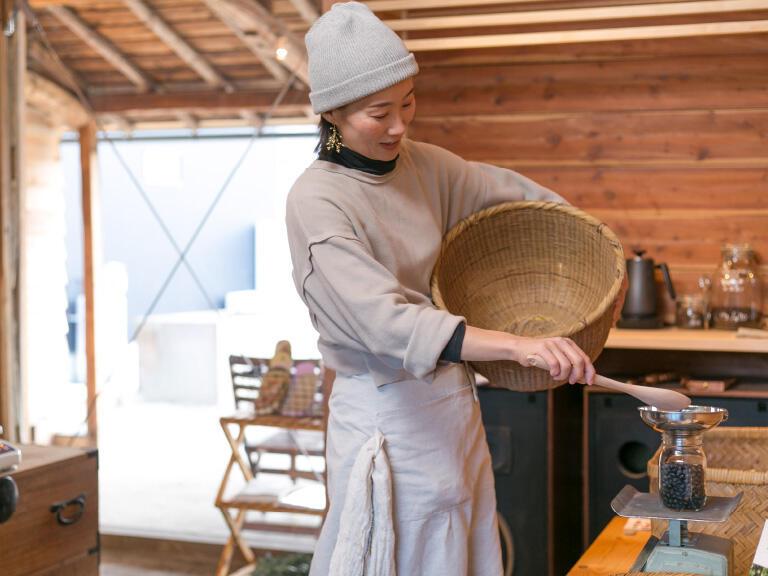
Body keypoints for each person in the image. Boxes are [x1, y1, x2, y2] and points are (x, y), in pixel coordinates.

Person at [285, 3, 599, 574]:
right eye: (379, 114)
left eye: (408, 103)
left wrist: (583, 235)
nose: (400, 126)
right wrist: (514, 345)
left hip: (452, 410)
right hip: (384, 415)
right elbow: (385, 322)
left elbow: (515, 199)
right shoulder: (317, 200)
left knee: (466, 548)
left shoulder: (426, 167)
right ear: (332, 113)